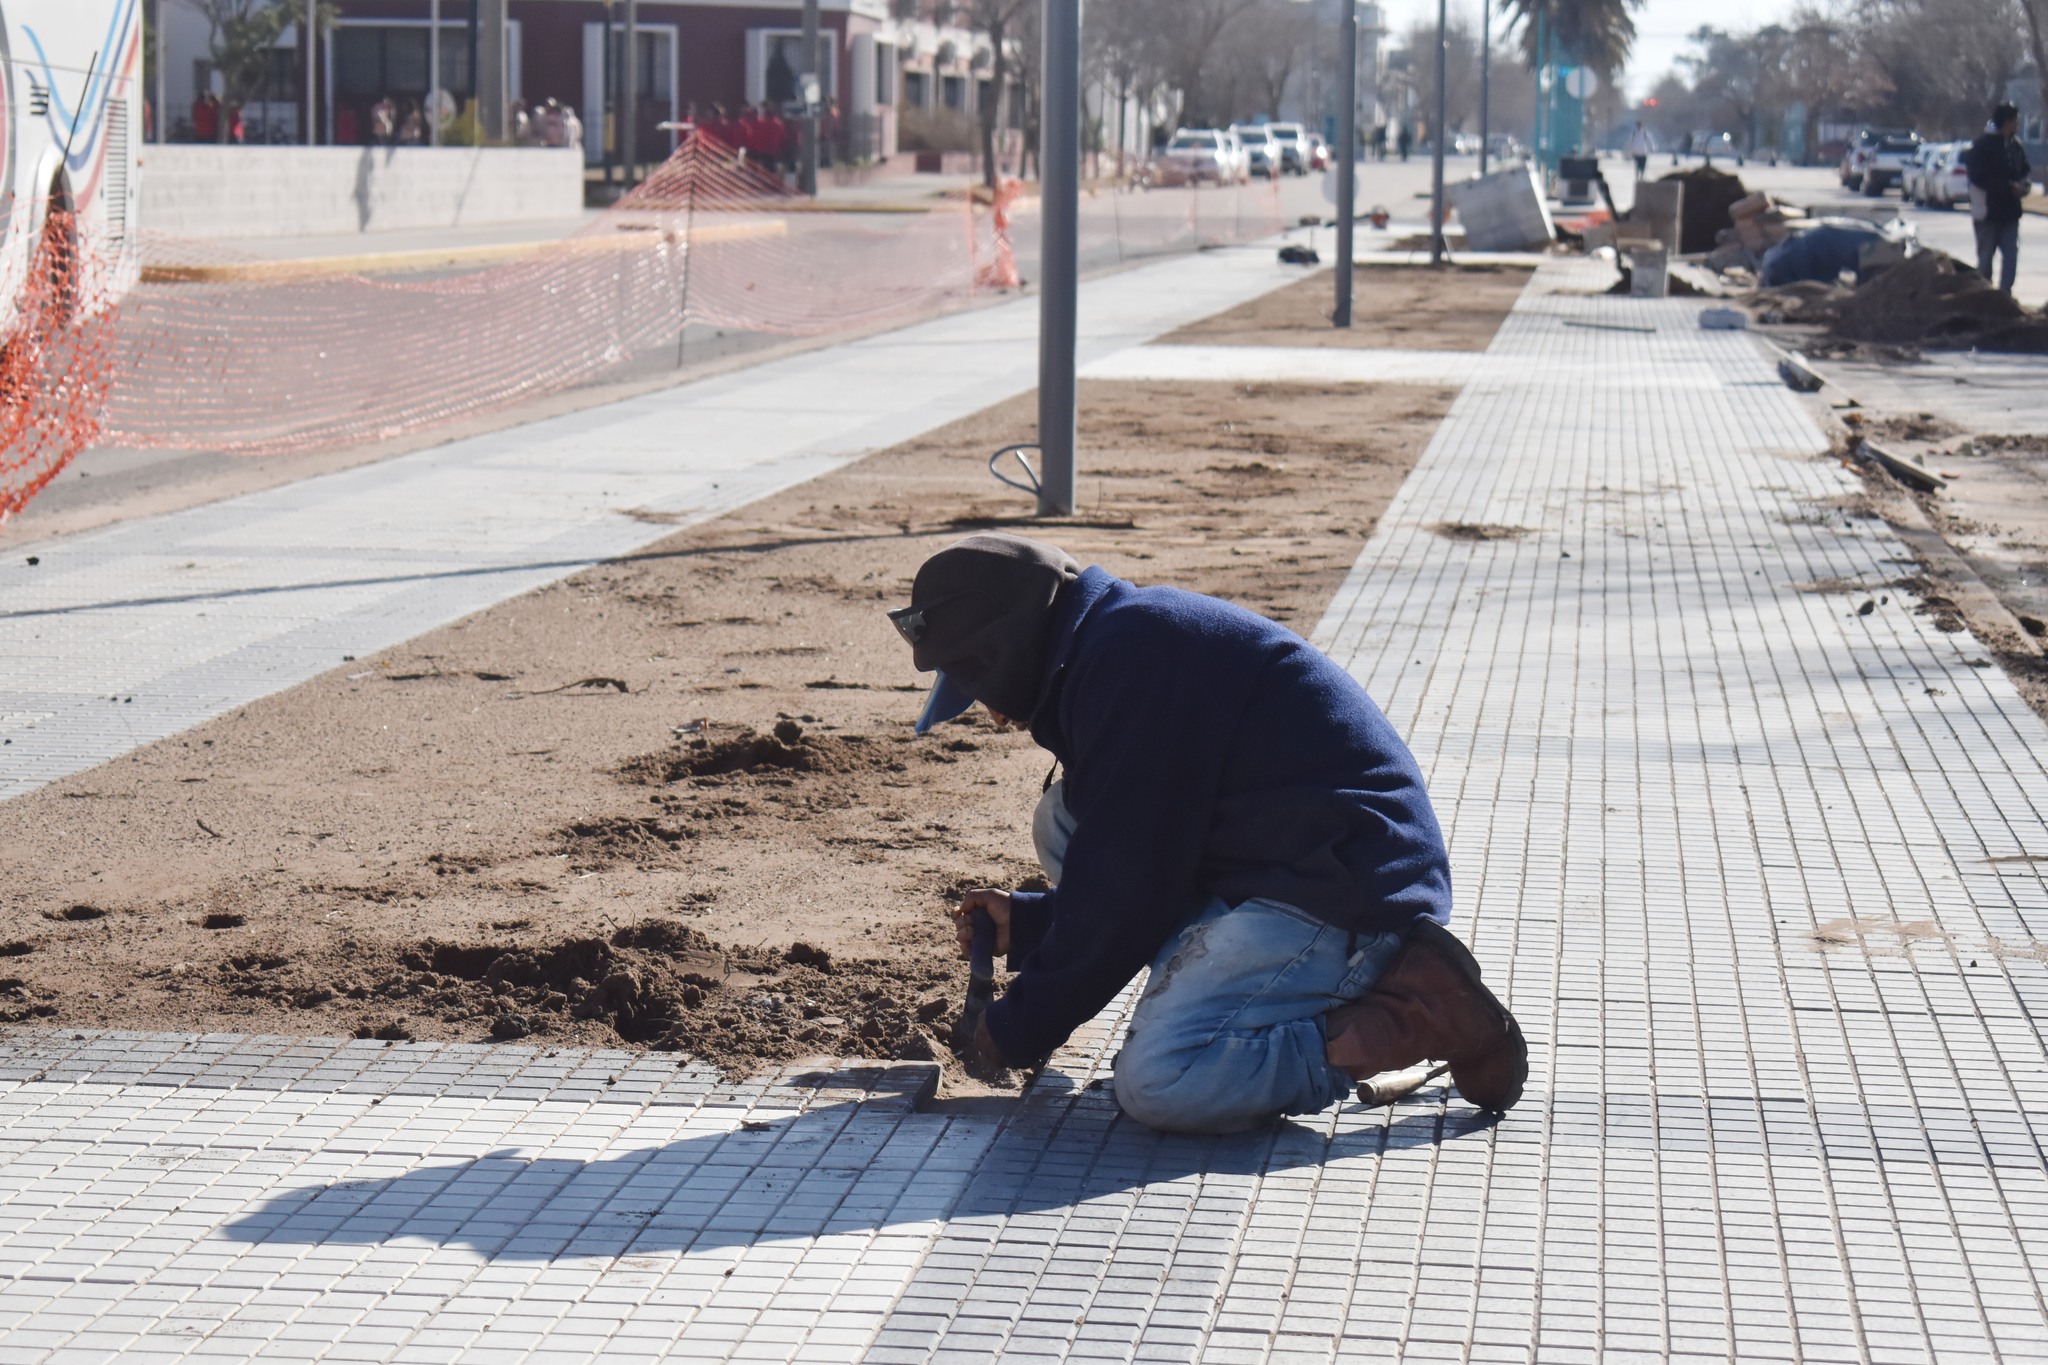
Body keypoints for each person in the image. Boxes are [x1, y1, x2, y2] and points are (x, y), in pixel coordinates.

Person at [890, 534, 1527, 1135]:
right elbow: (1148, 858)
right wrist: (1035, 927)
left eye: (980, 688)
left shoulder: (1136, 664)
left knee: (1162, 1080)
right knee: (1065, 818)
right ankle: (1253, 991)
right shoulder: (1116, 644)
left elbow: (1131, 885)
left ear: (1008, 648)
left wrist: (1017, 1027)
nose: (994, 713)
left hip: (1341, 889)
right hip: (1280, 859)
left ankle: (1416, 1016)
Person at [1967, 102, 2032, 295]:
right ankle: (1984, 297)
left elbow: (2024, 169)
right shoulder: (1982, 146)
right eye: (2015, 121)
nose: (2017, 125)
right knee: (1986, 259)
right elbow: (1978, 178)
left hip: (2011, 213)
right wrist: (2008, 188)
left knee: (2011, 257)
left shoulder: (2014, 145)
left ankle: (2005, 296)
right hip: (1988, 213)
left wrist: (2025, 184)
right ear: (2006, 122)